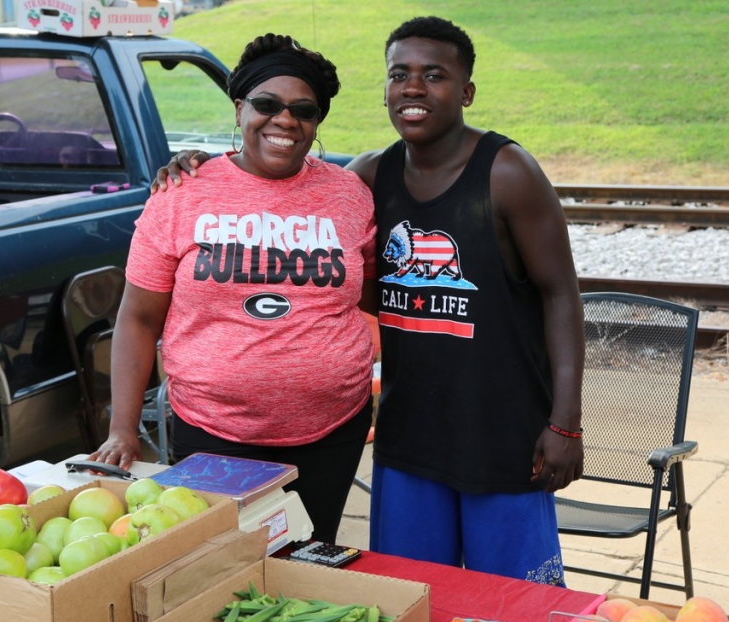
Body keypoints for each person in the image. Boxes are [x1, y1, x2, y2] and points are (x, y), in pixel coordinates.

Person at [153, 17, 584, 584]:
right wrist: (199, 169)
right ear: (384, 89)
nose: (413, 87)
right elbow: (284, 191)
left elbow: (561, 295)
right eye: (399, 74)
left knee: (514, 606)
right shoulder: (368, 178)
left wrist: (565, 423)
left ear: (467, 91)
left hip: (502, 433)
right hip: (408, 438)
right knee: (411, 598)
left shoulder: (506, 172)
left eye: (434, 75)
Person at [89, 33, 378, 544]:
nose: (285, 120)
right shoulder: (182, 192)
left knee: (311, 559)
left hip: (332, 431)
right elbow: (138, 318)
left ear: (317, 122)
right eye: (267, 105)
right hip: (213, 430)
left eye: (303, 110)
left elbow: (374, 296)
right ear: (240, 107)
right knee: (224, 561)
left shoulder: (348, 194)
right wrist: (122, 429)